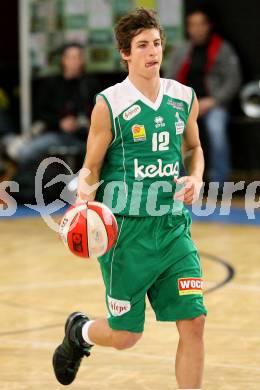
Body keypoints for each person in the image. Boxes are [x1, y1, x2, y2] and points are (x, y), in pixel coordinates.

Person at [53, 8, 207, 389]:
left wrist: (197, 177)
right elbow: (90, 167)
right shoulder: (110, 104)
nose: (152, 52)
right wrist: (80, 208)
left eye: (156, 43)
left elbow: (195, 147)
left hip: (172, 227)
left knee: (195, 322)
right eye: (142, 45)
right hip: (125, 234)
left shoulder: (183, 97)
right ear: (125, 52)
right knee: (126, 336)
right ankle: (80, 332)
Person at [165, 5, 242, 186]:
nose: (197, 29)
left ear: (208, 26)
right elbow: (168, 78)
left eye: (201, 24)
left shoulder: (222, 48)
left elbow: (233, 79)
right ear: (188, 27)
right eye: (192, 25)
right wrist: (182, 103)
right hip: (184, 105)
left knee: (217, 131)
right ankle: (179, 183)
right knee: (174, 134)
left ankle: (219, 184)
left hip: (213, 104)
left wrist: (213, 100)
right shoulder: (182, 50)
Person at [10, 42, 100, 169]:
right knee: (25, 152)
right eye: (72, 57)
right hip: (55, 134)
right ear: (64, 60)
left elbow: (99, 111)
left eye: (79, 57)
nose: (76, 61)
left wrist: (84, 122)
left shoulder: (90, 84)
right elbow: (40, 112)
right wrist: (60, 123)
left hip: (84, 137)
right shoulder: (51, 84)